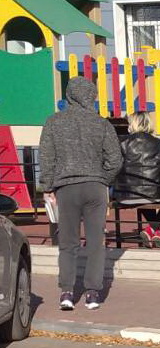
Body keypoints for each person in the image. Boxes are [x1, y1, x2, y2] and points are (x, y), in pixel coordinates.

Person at [38, 77, 122, 311]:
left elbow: (47, 157)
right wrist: (103, 178)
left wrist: (47, 187)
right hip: (95, 186)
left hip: (66, 188)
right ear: (92, 97)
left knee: (68, 243)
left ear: (69, 96)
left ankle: (67, 291)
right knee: (96, 242)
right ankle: (92, 293)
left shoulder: (54, 122)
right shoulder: (102, 124)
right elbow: (115, 159)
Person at [112, 110, 160, 248]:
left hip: (125, 194)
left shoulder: (121, 142)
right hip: (153, 193)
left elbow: (113, 165)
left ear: (132, 124)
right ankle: (154, 229)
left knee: (142, 194)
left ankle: (152, 230)